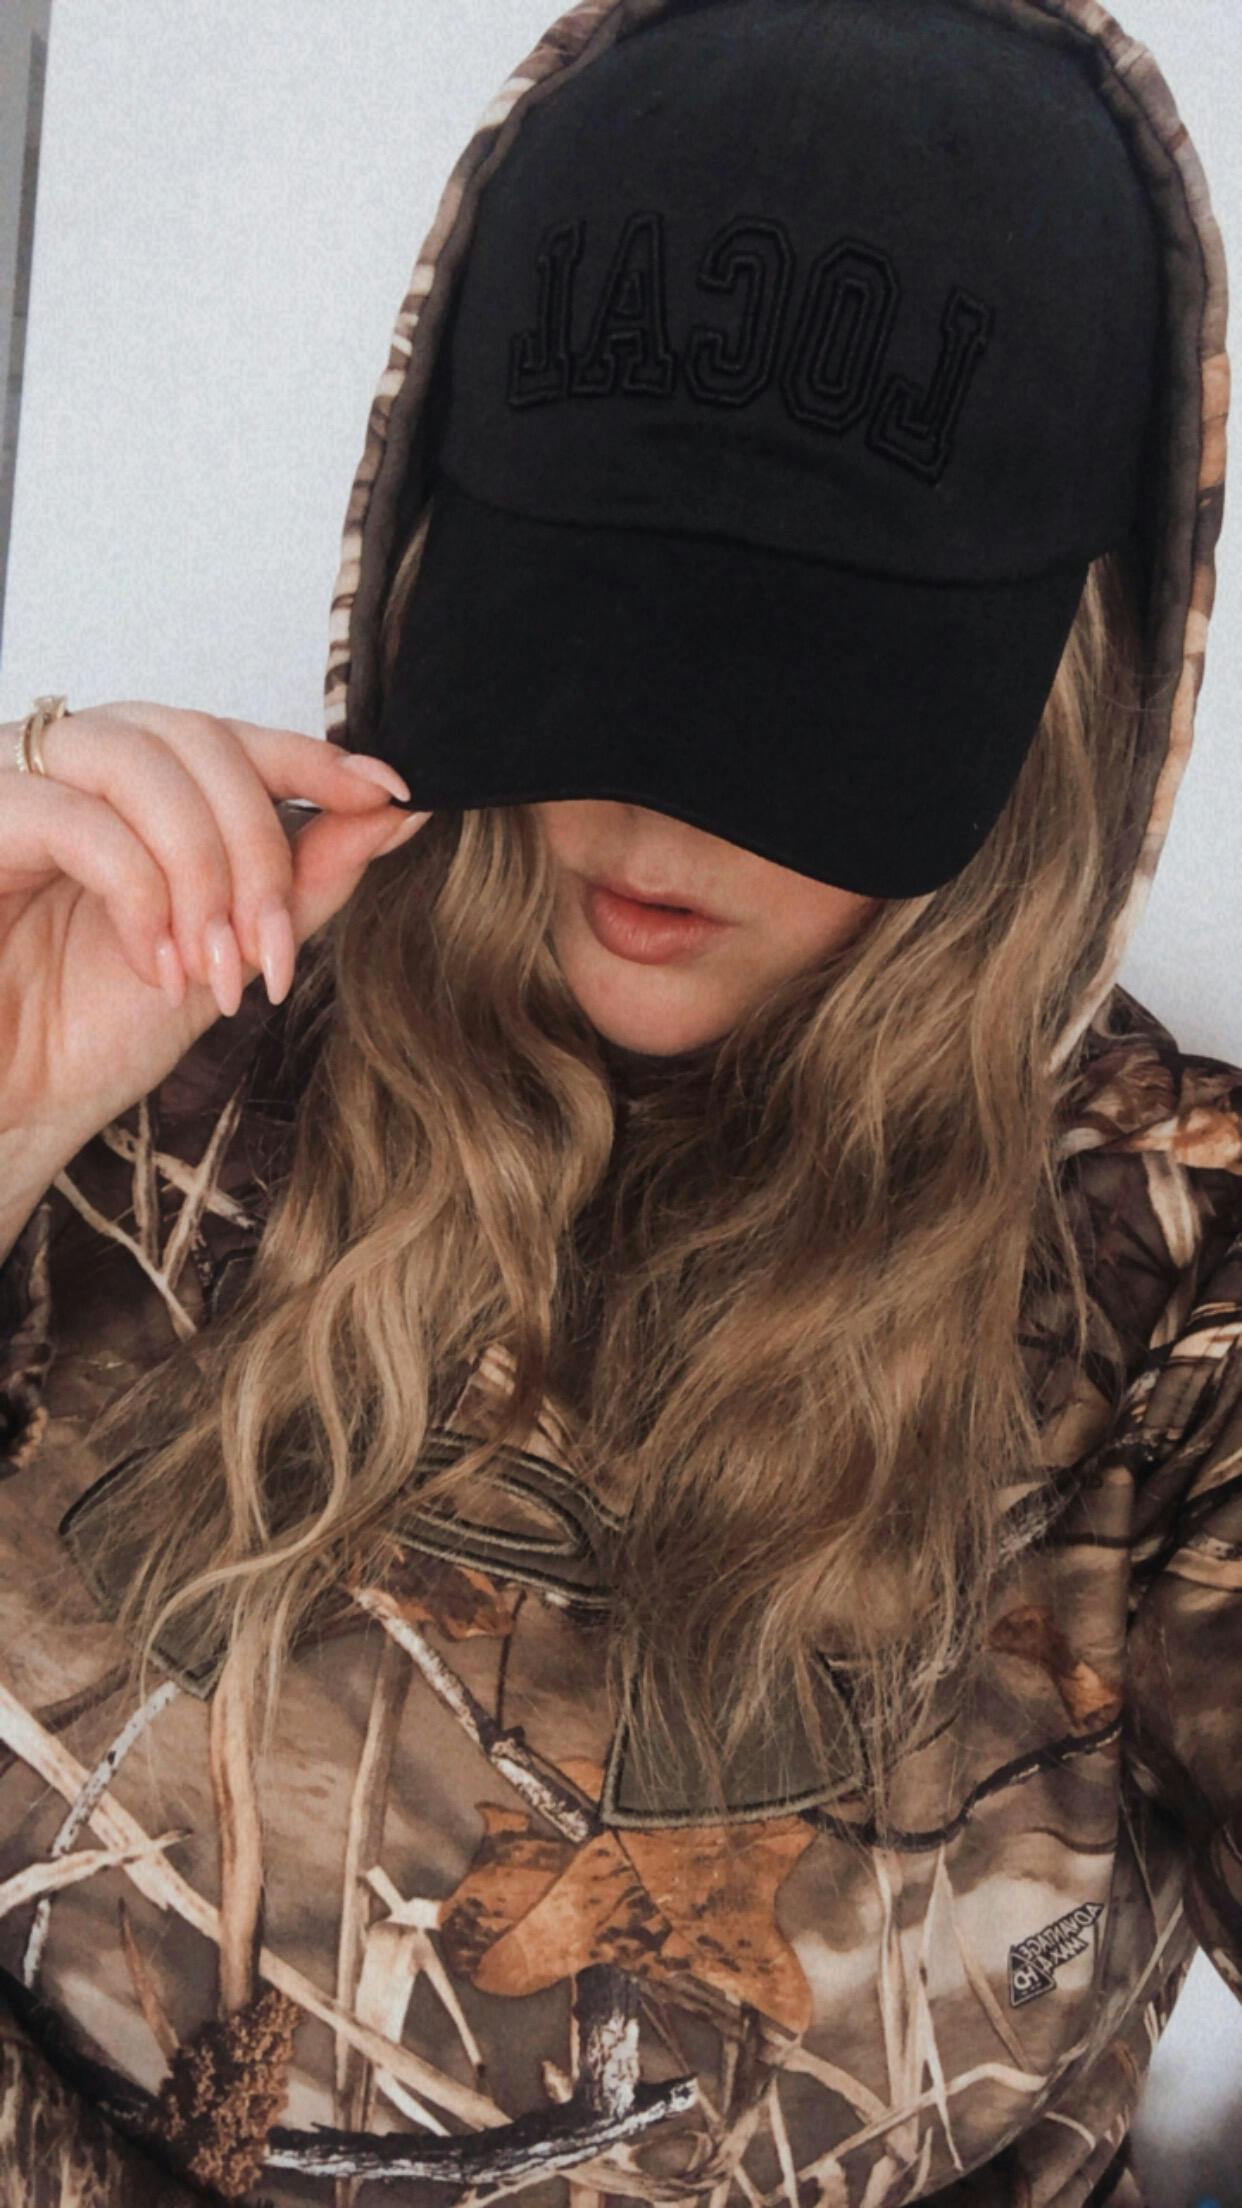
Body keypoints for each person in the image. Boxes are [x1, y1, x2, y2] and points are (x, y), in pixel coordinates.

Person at [0, 0, 1237, 2202]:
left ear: (1064, 695)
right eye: (589, 638)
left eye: (802, 703)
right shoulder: (148, 1025)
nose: (656, 804)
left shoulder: (1173, 1282)